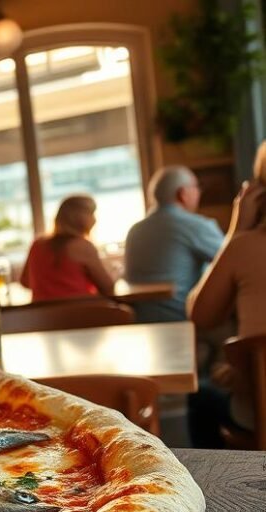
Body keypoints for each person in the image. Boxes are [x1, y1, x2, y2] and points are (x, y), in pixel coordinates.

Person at [186, 143, 266, 445]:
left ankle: (218, 491)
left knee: (199, 398)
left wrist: (234, 232)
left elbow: (200, 315)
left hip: (260, 413)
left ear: (257, 191)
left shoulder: (244, 247)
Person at [124, 166, 225, 323]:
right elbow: (234, 260)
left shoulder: (135, 230)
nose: (199, 193)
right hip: (183, 320)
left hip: (141, 323)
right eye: (196, 187)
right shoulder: (195, 226)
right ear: (182, 194)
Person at [19, 195, 114, 303]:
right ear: (79, 217)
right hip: (77, 313)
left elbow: (25, 282)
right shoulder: (83, 246)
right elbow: (108, 288)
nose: (95, 220)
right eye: (91, 214)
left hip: (41, 316)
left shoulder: (37, 244)